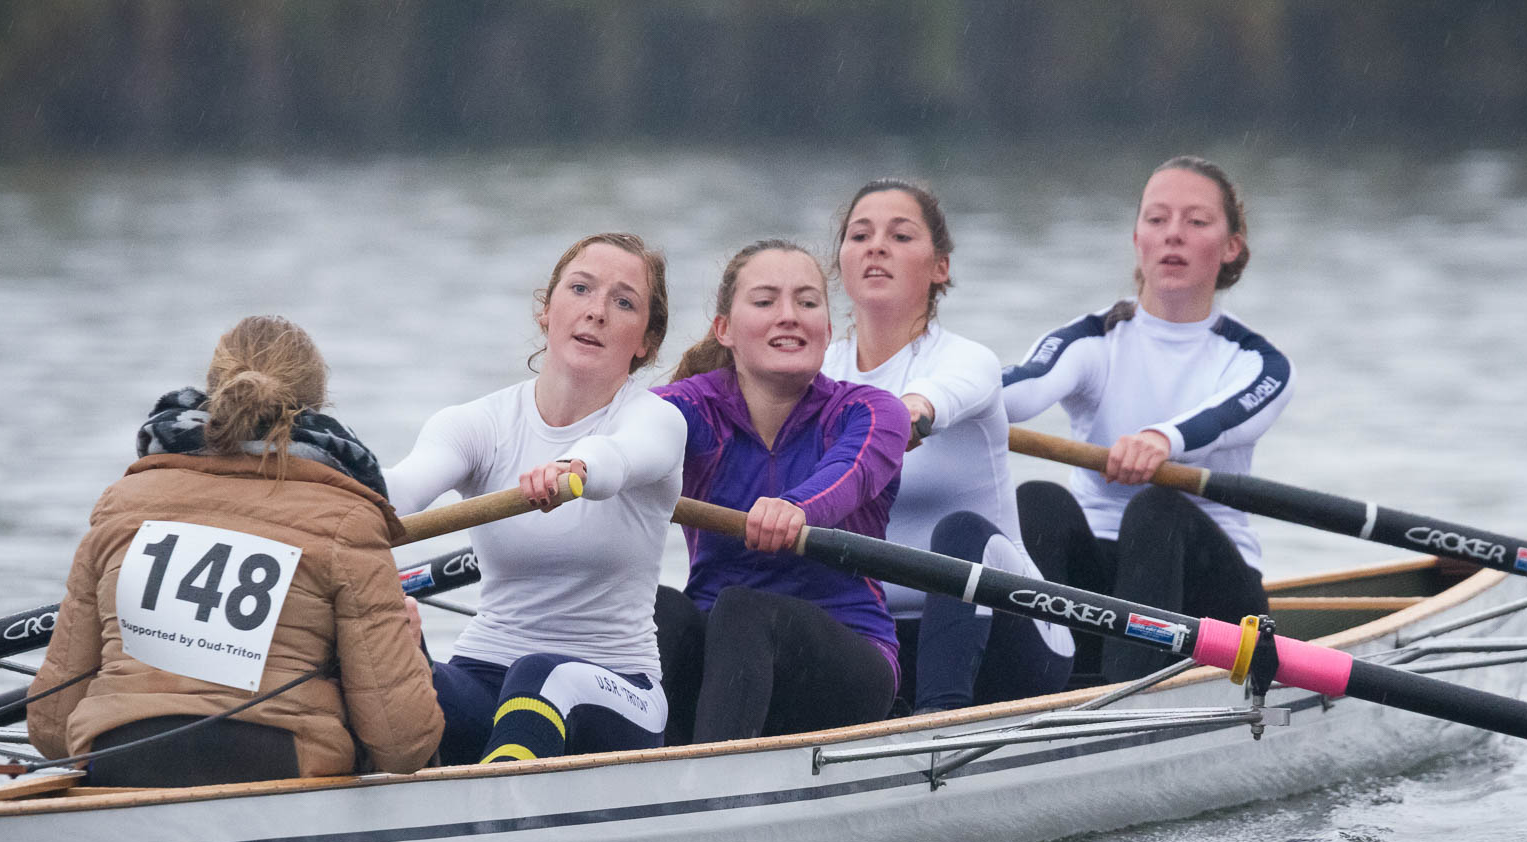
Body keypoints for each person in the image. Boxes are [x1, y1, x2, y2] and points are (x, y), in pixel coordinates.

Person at [27, 316, 444, 787]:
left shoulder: (121, 504)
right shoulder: (349, 519)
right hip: (277, 766)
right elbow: (402, 745)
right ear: (317, 404)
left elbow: (51, 725)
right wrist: (410, 652)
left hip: (118, 759)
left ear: (214, 390)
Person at [386, 233, 685, 765]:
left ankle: (494, 807)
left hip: (619, 690)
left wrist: (575, 467)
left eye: (623, 302)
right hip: (485, 672)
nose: (596, 312)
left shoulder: (656, 420)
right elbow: (399, 492)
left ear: (647, 341)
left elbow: (617, 458)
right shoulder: (478, 423)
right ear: (547, 311)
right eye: (581, 289)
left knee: (542, 675)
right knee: (388, 657)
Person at [1003, 155, 1294, 683]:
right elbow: (1020, 390)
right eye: (1157, 219)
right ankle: (1030, 689)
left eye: (1196, 221)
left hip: (1213, 605)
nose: (1173, 234)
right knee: (1037, 500)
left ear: (1232, 247)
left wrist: (1162, 440)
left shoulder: (1257, 361)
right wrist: (927, 403)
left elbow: (1223, 418)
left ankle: (1127, 700)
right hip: (1100, 590)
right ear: (1138, 239)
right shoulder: (1093, 340)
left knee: (1157, 509)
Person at [823, 180, 1074, 713]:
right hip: (883, 642)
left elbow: (922, 405)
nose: (876, 246)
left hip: (1012, 634)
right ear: (841, 261)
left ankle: (939, 723)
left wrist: (904, 419)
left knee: (961, 533)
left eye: (900, 235)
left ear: (940, 267)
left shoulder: (967, 361)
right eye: (860, 235)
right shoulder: (815, 372)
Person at [653, 240, 910, 743]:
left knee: (744, 610)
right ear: (724, 329)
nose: (789, 316)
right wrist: (582, 463)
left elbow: (849, 474)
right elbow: (626, 439)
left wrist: (796, 509)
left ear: (828, 331)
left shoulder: (871, 411)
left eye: (807, 302)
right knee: (660, 607)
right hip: (718, 659)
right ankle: (628, 761)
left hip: (847, 662)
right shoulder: (691, 409)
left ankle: (711, 775)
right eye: (765, 301)